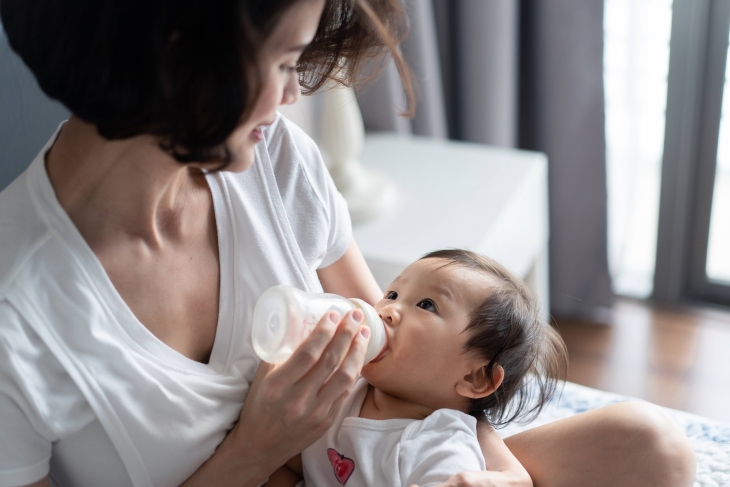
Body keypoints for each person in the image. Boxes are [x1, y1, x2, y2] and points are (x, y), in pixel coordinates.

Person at [0, 0, 695, 486]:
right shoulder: (18, 316)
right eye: (280, 64)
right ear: (179, 59)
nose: (295, 90)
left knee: (649, 447)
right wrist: (256, 448)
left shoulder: (273, 159)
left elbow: (410, 379)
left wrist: (498, 472)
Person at [265, 249, 568, 487]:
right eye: (392, 294)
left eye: (426, 305)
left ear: (474, 377)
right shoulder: (341, 389)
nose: (387, 311)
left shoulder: (441, 450)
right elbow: (291, 463)